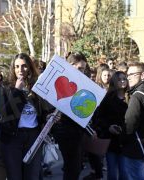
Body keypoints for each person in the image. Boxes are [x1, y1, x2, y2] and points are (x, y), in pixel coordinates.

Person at [0, 53, 53, 180]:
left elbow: (44, 112)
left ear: (29, 67)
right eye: (17, 66)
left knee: (32, 175)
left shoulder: (37, 87)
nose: (20, 70)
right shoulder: (6, 88)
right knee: (14, 176)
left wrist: (49, 117)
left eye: (24, 66)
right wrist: (17, 91)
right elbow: (5, 115)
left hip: (33, 136)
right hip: (12, 137)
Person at [52, 52, 87, 180]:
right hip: (64, 131)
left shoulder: (83, 84)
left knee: (75, 168)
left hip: (78, 131)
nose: (82, 72)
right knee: (72, 168)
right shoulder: (58, 81)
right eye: (80, 68)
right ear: (70, 66)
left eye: (84, 69)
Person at [93, 71, 128, 180]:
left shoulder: (131, 97)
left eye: (124, 78)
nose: (122, 81)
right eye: (119, 79)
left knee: (124, 174)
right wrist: (109, 127)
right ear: (114, 82)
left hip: (127, 141)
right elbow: (98, 118)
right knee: (112, 173)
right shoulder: (107, 99)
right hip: (111, 141)